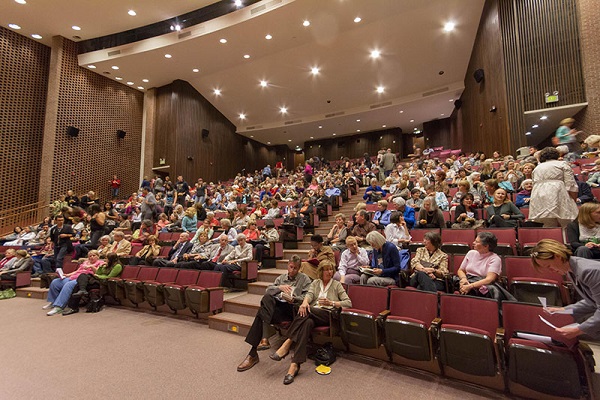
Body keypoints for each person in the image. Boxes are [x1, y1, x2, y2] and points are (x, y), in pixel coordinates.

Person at [270, 261, 351, 385]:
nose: (329, 272)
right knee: (306, 322)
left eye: (331, 269)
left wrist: (332, 303)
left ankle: (287, 343)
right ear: (320, 271)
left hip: (327, 315)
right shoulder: (315, 283)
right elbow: (309, 295)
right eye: (326, 270)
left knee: (306, 311)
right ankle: (294, 365)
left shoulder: (336, 285)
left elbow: (348, 303)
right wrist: (304, 302)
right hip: (312, 314)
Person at [236, 255, 311, 372]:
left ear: (299, 268)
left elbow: (308, 296)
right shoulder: (281, 278)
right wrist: (280, 288)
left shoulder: (304, 279)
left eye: (295, 268)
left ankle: (257, 348)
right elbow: (268, 290)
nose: (292, 270)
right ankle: (256, 348)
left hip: (292, 310)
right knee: (266, 299)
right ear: (288, 265)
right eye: (291, 267)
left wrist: (295, 299)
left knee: (261, 313)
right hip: (278, 309)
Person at [531, 239, 600, 339]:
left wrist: (578, 330)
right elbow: (592, 301)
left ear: (558, 256)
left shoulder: (588, 271)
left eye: (549, 266)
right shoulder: (571, 269)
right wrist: (563, 310)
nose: (550, 271)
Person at [43, 250, 105, 316]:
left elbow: (98, 273)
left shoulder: (101, 263)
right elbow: (77, 271)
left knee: (68, 285)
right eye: (90, 256)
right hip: (73, 277)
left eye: (94, 255)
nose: (92, 257)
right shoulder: (85, 262)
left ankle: (59, 307)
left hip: (84, 280)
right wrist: (67, 275)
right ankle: (53, 302)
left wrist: (91, 267)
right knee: (55, 282)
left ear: (98, 256)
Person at [455, 232, 514, 301]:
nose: (473, 243)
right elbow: (461, 270)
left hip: (481, 284)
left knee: (473, 292)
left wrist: (470, 286)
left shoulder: (495, 259)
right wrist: (463, 279)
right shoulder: (471, 253)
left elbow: (489, 279)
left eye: (477, 242)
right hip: (467, 280)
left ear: (486, 246)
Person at [529, 147, 579, 228]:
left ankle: (550, 240)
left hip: (540, 197)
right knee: (567, 223)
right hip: (558, 193)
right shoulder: (562, 164)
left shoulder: (537, 168)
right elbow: (570, 185)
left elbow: (534, 185)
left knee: (548, 225)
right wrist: (573, 199)